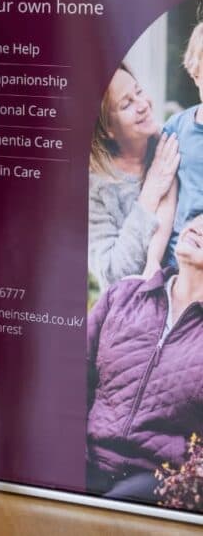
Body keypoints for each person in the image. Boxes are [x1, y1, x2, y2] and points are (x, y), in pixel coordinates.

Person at [86, 209, 203, 509]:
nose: (198, 227)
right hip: (87, 454)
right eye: (197, 218)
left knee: (107, 514)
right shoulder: (123, 295)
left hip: (157, 476)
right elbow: (69, 377)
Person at [89, 64, 179, 290]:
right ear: (106, 128)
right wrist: (150, 192)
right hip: (134, 309)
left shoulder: (171, 145)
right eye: (126, 104)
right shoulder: (93, 186)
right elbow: (111, 275)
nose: (142, 105)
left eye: (138, 92)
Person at [161, 22, 203, 267]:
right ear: (196, 73)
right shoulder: (176, 128)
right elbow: (165, 199)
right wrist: (153, 262)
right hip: (178, 263)